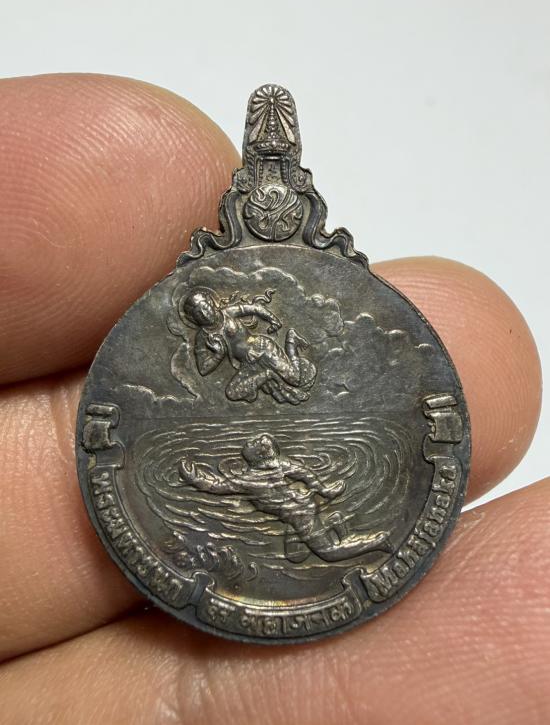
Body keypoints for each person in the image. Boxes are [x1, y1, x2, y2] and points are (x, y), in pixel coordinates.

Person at [0, 74, 545, 723]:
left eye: (206, 307)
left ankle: (313, 442)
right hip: (274, 428)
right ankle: (348, 518)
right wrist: (211, 378)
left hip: (276, 374)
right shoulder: (234, 393)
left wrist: (258, 321)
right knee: (277, 442)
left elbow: (254, 326)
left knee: (293, 437)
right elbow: (214, 402)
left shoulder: (242, 333)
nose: (205, 312)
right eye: (200, 312)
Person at [179, 433, 392, 561]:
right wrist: (323, 489)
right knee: (294, 556)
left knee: (328, 553)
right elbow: (304, 473)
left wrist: (193, 477)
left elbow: (215, 486)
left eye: (255, 444)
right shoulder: (281, 465)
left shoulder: (246, 480)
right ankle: (335, 522)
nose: (252, 443)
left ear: (255, 457)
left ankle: (376, 542)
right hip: (303, 506)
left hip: (298, 515)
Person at [181, 286, 317, 404]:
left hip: (262, 348)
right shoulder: (202, 336)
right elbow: (203, 369)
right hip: (247, 364)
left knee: (295, 379)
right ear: (193, 318)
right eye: (198, 314)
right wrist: (218, 355)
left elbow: (254, 308)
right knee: (232, 392)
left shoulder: (228, 313)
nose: (205, 314)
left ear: (211, 303)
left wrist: (273, 319)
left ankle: (291, 340)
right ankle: (268, 375)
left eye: (205, 307)